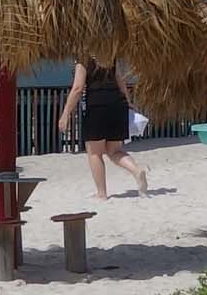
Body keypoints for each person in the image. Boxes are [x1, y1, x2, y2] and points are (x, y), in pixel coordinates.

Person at [60, 58, 149, 198]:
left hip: (97, 106)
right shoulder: (110, 55)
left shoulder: (83, 58)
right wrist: (128, 101)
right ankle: (137, 170)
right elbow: (120, 80)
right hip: (118, 105)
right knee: (114, 151)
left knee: (95, 153)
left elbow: (77, 88)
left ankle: (101, 194)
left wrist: (65, 113)